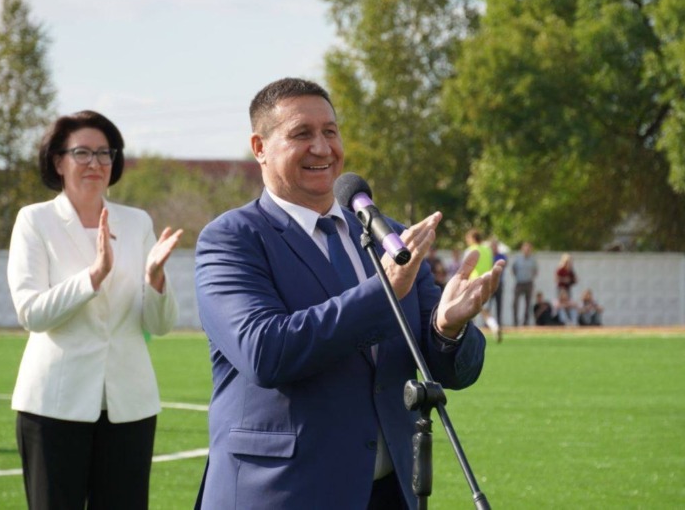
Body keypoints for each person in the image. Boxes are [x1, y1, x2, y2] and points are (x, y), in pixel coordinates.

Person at [193, 77, 504, 509]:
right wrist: (385, 292)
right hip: (281, 492)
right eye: (302, 134)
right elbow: (265, 352)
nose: (322, 148)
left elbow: (455, 373)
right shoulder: (232, 238)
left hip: (389, 492)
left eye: (330, 131)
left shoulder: (391, 239)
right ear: (260, 147)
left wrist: (448, 328)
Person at [7, 110, 183, 509]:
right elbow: (31, 313)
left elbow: (160, 324)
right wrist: (93, 276)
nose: (95, 163)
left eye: (105, 153)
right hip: (54, 404)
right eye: (82, 153)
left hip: (130, 405)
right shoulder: (35, 220)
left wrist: (155, 279)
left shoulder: (137, 223)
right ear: (58, 161)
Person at [464, 228, 501, 342]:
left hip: (473, 281)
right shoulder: (488, 250)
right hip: (486, 281)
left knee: (470, 309)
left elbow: (464, 268)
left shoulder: (471, 250)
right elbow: (491, 265)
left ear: (472, 238)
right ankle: (494, 326)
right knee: (483, 308)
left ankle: (470, 333)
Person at [511, 241, 538, 326]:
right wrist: (518, 277)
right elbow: (513, 269)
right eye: (525, 248)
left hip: (529, 283)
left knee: (528, 304)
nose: (527, 250)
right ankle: (515, 322)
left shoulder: (533, 260)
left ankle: (525, 322)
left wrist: (530, 277)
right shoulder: (518, 259)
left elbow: (535, 271)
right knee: (515, 303)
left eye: (528, 248)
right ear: (522, 249)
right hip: (519, 283)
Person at [490, 238, 508, 327]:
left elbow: (505, 264)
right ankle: (489, 322)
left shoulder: (501, 256)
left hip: (499, 282)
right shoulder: (488, 256)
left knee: (499, 303)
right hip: (489, 283)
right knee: (488, 304)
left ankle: (499, 322)